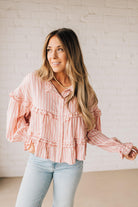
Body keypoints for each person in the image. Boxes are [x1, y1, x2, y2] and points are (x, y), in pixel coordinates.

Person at [6, 28, 138, 207]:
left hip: (70, 165)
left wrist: (120, 148)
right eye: (49, 49)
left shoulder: (84, 90)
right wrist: (30, 136)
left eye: (59, 49)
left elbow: (91, 132)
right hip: (39, 161)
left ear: (71, 51)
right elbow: (16, 116)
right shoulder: (34, 81)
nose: (52, 55)